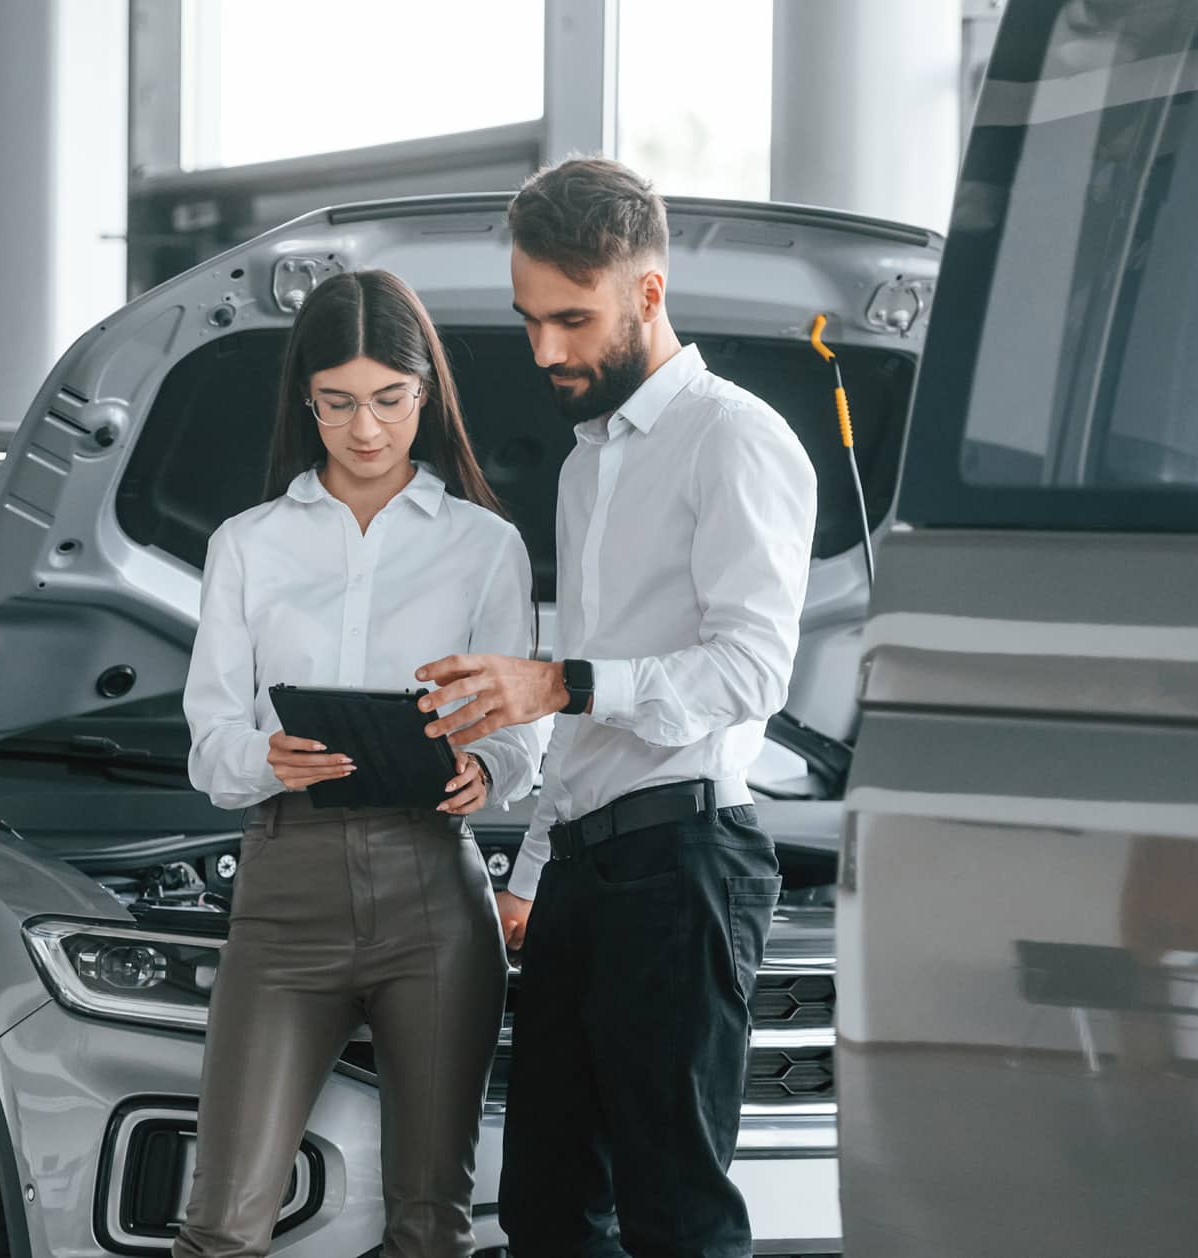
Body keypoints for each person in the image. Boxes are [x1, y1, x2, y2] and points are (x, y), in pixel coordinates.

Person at [416, 157, 819, 1258]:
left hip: (685, 865)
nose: (545, 350)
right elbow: (585, 716)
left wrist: (558, 681)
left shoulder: (734, 438)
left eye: (570, 319)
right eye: (528, 319)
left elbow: (750, 672)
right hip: (584, 876)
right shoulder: (585, 469)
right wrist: (533, 873)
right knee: (543, 1209)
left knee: (675, 1217)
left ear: (647, 291)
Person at [175, 269, 540, 1258]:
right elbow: (209, 745)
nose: (366, 428)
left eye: (389, 400)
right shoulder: (247, 546)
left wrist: (491, 771)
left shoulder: (484, 547)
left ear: (426, 394)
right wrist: (267, 753)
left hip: (433, 892)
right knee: (221, 1224)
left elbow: (519, 725)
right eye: (338, 403)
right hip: (284, 889)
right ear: (307, 400)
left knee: (430, 1225)